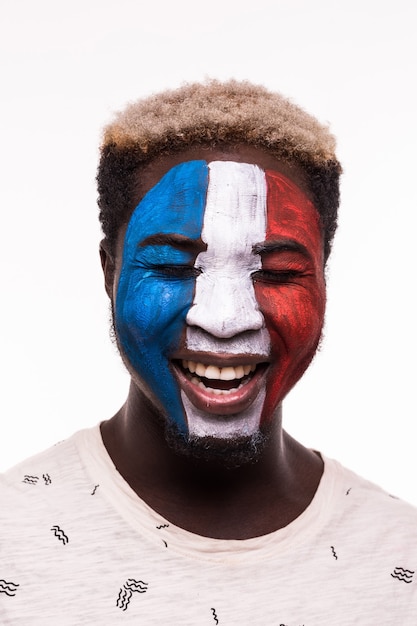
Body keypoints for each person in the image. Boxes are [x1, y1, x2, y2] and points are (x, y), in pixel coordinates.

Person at [1, 80, 416, 625]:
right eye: (173, 268)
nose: (224, 319)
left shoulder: (400, 560)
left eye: (278, 273)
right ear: (111, 273)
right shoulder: (12, 535)